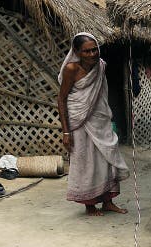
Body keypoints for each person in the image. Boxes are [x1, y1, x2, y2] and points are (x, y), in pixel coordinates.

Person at [57, 33, 129, 216]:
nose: (92, 54)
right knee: (85, 162)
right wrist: (66, 132)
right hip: (79, 121)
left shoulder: (101, 66)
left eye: (94, 49)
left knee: (106, 159)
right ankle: (89, 205)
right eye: (86, 51)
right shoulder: (71, 69)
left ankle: (108, 202)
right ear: (77, 52)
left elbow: (101, 94)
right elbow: (62, 99)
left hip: (99, 118)